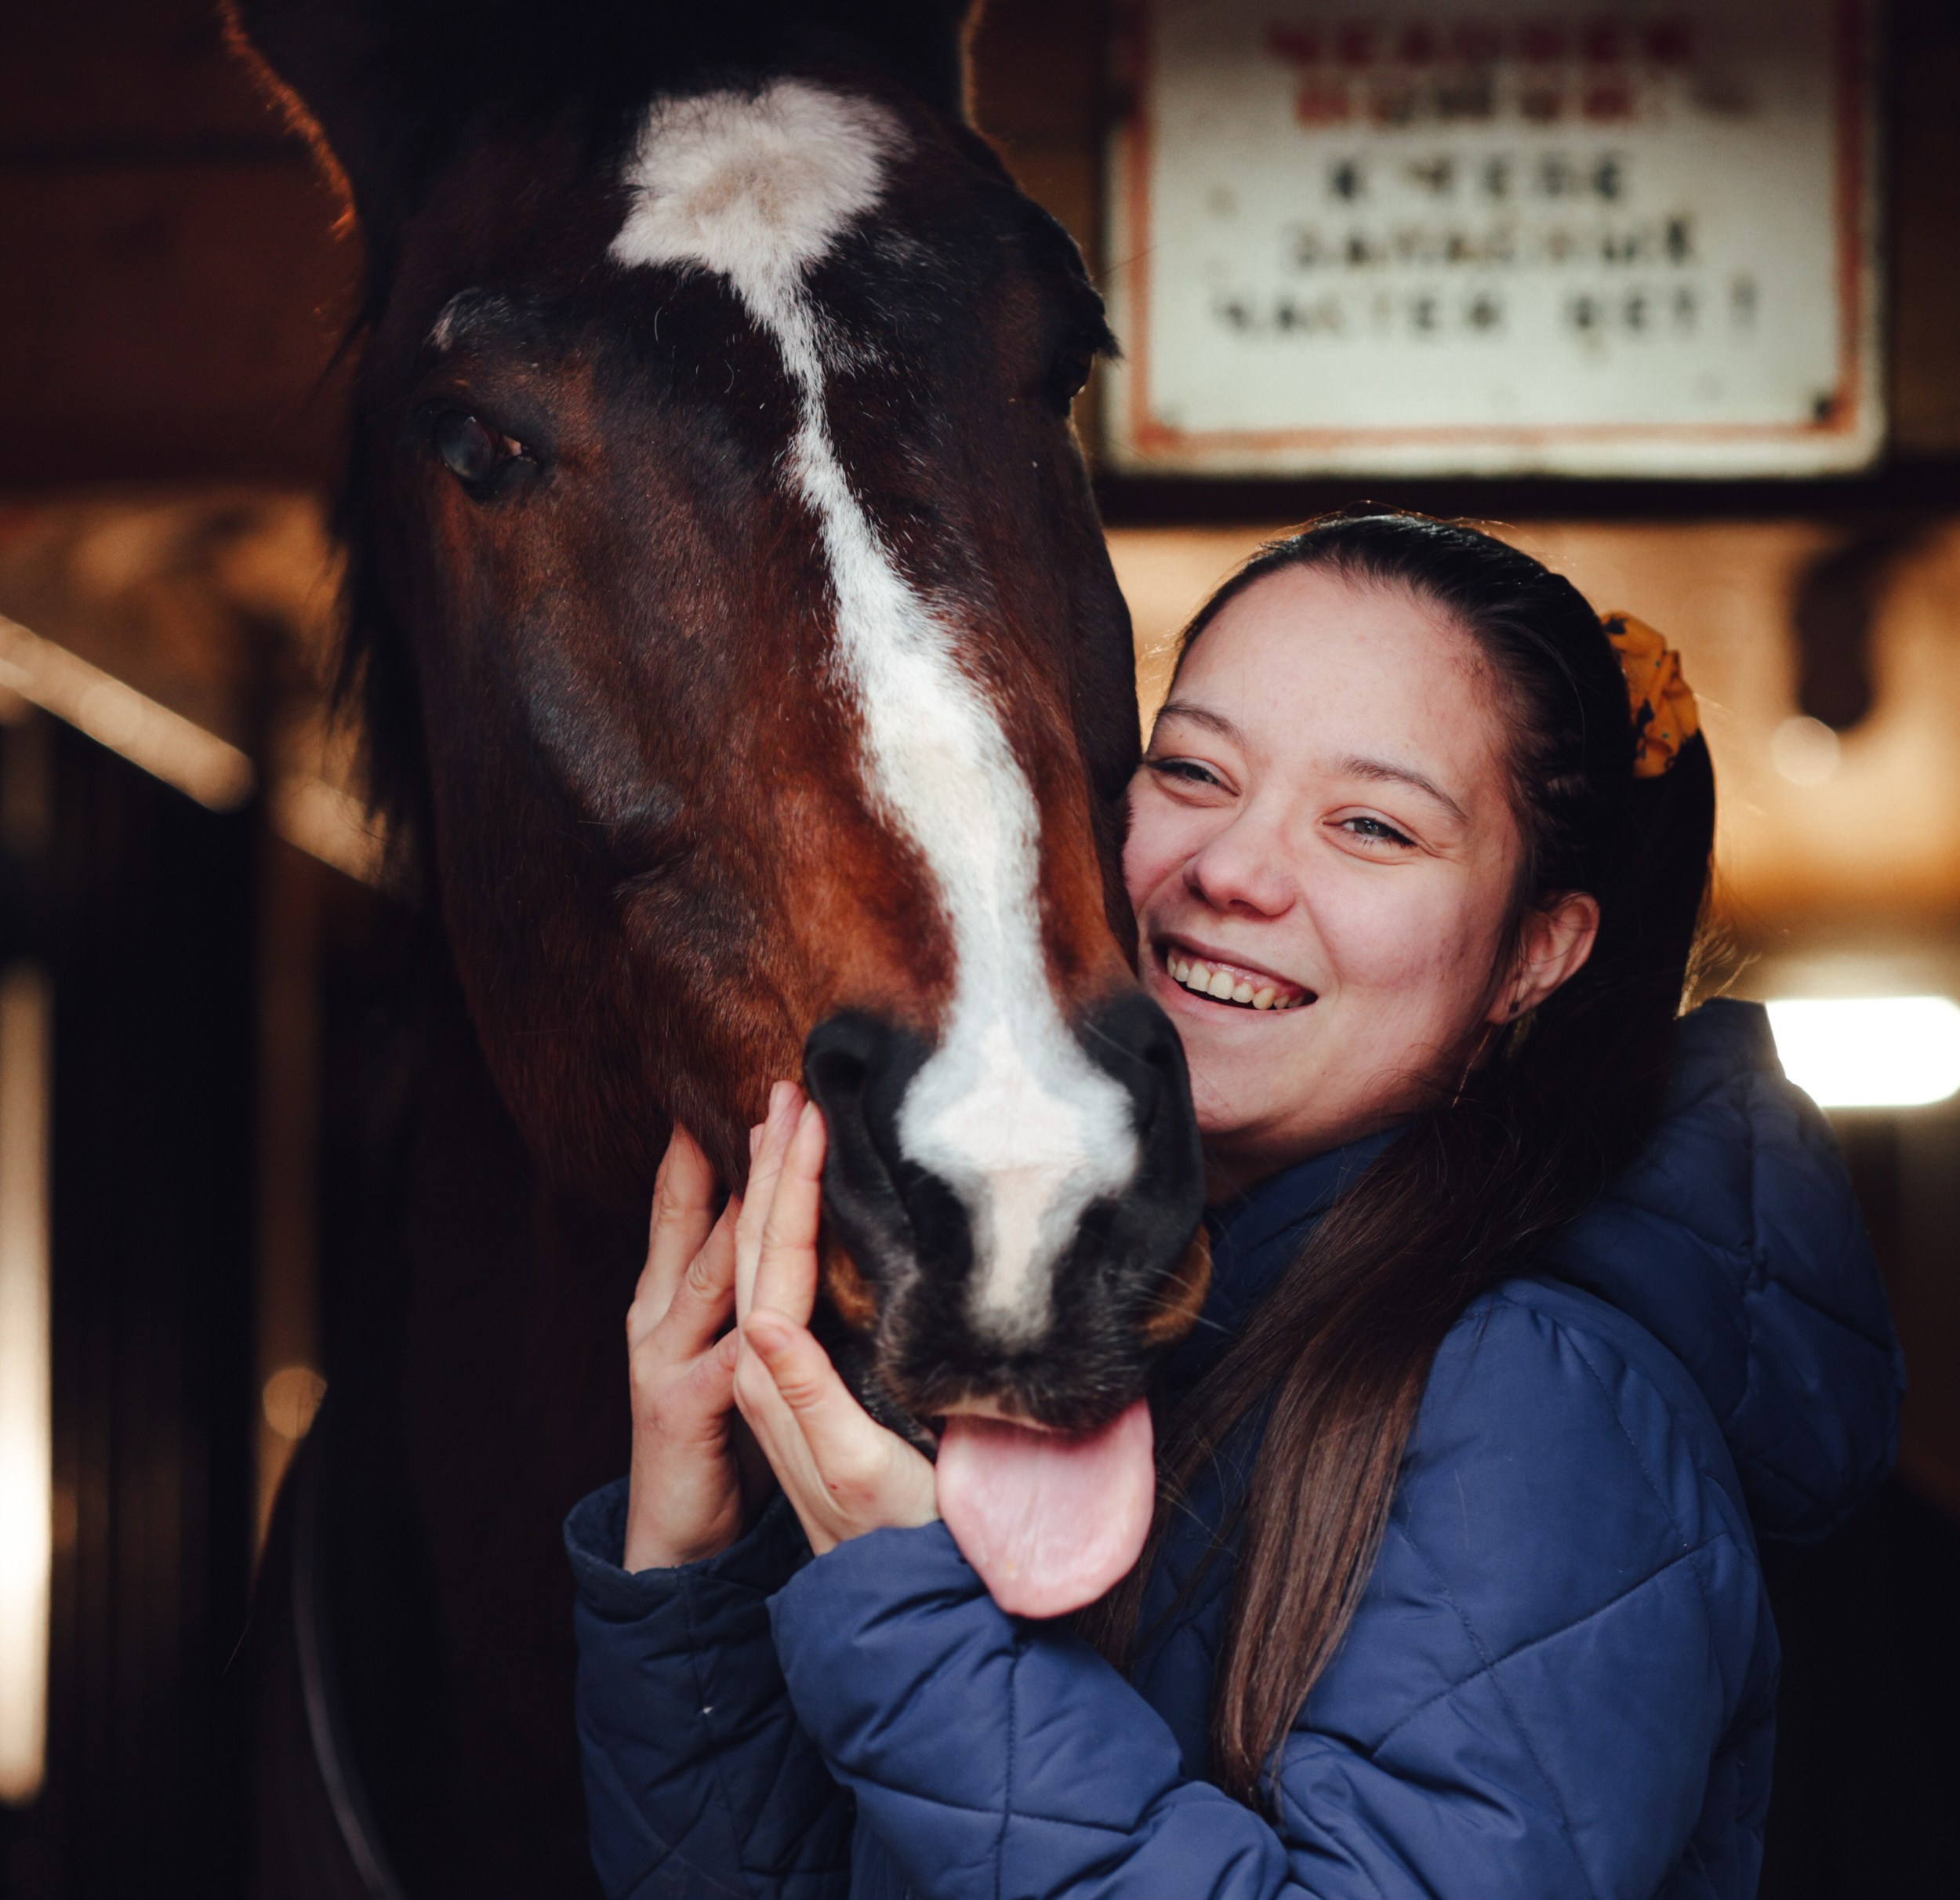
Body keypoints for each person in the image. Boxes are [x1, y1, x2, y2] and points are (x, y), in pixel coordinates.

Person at [564, 513, 1902, 1899]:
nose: (1232, 871)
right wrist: (689, 1572)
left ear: (1535, 954)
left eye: (1372, 826)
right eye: (1194, 771)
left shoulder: (1551, 1411)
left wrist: (914, 1615)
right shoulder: (1090, 1304)